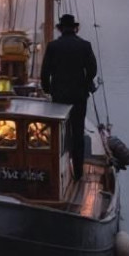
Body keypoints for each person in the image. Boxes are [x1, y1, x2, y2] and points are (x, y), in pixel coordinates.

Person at [40, 13, 99, 167]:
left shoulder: (52, 46)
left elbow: (45, 73)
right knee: (78, 132)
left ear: (60, 29)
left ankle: (60, 166)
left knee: (59, 131)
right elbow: (92, 70)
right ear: (75, 29)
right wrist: (85, 84)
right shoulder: (85, 46)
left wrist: (48, 90)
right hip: (79, 95)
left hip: (59, 95)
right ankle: (78, 170)